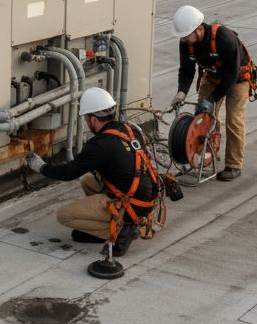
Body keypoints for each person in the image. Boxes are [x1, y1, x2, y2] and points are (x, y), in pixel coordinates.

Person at [25, 88, 163, 257]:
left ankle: (122, 229)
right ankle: (123, 221)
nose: (86, 123)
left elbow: (68, 173)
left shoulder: (100, 144)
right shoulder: (129, 129)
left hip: (132, 204)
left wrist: (41, 167)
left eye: (86, 119)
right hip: (147, 198)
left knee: (64, 215)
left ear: (93, 119)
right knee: (87, 180)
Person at [170, 4, 257, 182]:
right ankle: (207, 154)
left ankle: (234, 165)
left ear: (199, 29)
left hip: (237, 79)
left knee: (234, 120)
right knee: (204, 117)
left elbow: (231, 75)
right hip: (212, 77)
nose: (184, 40)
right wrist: (181, 92)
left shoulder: (224, 38)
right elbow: (187, 70)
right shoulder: (186, 42)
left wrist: (212, 98)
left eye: (186, 35)